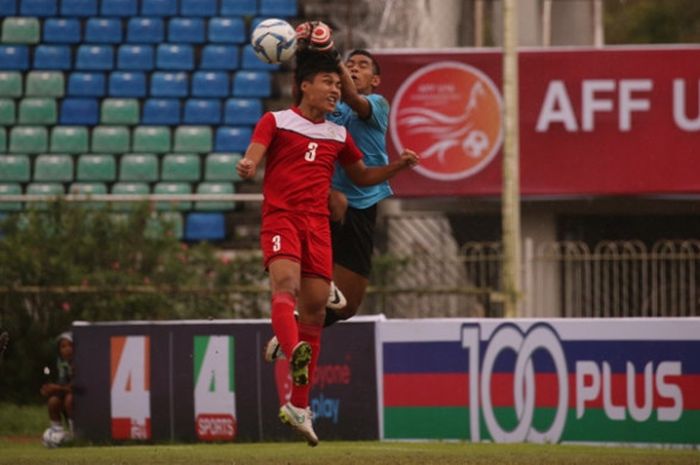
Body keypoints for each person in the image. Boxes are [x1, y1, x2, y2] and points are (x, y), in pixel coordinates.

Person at [236, 48, 418, 446]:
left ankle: (298, 404)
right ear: (304, 86)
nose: (339, 85)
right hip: (286, 217)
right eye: (331, 80)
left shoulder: (346, 127)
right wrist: (249, 163)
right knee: (286, 286)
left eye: (344, 80)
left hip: (329, 221)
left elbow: (363, 173)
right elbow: (257, 148)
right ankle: (290, 342)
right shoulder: (278, 120)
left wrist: (398, 167)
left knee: (321, 309)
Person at [265, 27, 402, 360]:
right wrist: (305, 47)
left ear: (375, 82)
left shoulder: (375, 105)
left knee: (350, 306)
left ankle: (292, 332)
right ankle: (295, 326)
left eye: (362, 66)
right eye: (349, 64)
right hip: (320, 204)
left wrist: (332, 55)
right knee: (334, 202)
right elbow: (304, 95)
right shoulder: (327, 106)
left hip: (363, 206)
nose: (354, 68)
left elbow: (353, 99)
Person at [40, 331, 74, 442]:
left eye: (70, 345)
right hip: (68, 393)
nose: (67, 349)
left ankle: (75, 432)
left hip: (82, 398)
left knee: (69, 399)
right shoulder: (61, 364)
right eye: (63, 346)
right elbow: (62, 385)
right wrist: (50, 390)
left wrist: (57, 388)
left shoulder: (80, 362)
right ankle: (57, 432)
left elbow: (78, 387)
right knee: (53, 401)